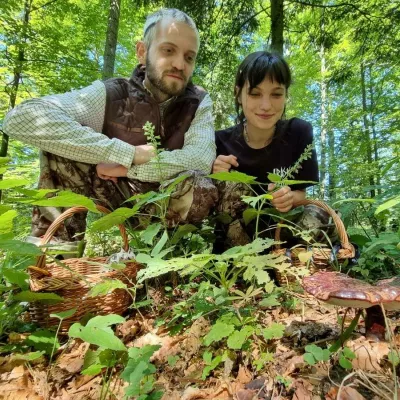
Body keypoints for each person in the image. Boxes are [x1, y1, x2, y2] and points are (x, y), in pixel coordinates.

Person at [3, 8, 217, 244]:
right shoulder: (110, 95)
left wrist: (128, 168)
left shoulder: (198, 101)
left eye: (189, 57)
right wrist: (129, 153)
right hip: (111, 191)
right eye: (168, 50)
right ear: (142, 52)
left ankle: (172, 261)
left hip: (164, 205)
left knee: (199, 182)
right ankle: (57, 258)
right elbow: (21, 118)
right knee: (59, 146)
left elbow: (200, 159)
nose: (179, 64)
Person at [212, 51, 321, 249]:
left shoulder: (299, 132)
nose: (266, 105)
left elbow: (301, 195)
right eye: (255, 93)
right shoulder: (219, 141)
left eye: (276, 94)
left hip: (281, 236)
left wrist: (288, 198)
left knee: (319, 216)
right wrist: (215, 176)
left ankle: (297, 267)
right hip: (234, 248)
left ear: (286, 95)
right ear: (238, 94)